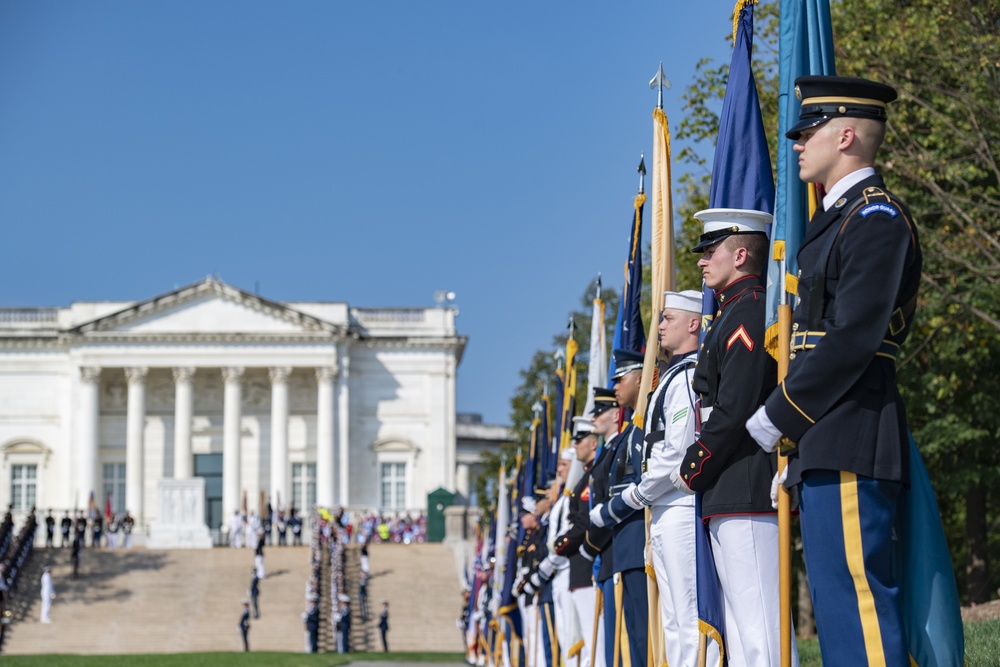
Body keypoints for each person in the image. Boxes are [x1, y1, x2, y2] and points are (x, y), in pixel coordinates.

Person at [746, 76, 921, 667]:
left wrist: (779, 416)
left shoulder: (875, 219)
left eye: (808, 132)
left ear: (845, 135)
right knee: (838, 608)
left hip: (851, 429)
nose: (797, 145)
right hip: (827, 433)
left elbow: (851, 338)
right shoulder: (840, 218)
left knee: (859, 607)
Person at [671, 209, 796, 667]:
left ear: (741, 253)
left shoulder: (748, 311)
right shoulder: (731, 311)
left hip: (746, 481)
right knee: (743, 636)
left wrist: (695, 463)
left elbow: (736, 405)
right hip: (729, 484)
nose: (702, 262)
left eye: (710, 251)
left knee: (763, 631)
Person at [606, 290, 716, 667]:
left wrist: (636, 495)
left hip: (680, 503)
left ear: (694, 323)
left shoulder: (687, 375)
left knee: (689, 613)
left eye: (668, 318)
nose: (661, 325)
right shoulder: (672, 375)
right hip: (665, 506)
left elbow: (677, 451)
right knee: (671, 615)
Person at [589, 348, 649, 667]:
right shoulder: (625, 436)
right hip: (621, 545)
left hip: (636, 538)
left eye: (621, 379)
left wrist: (601, 521)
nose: (615, 386)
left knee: (643, 631)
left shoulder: (638, 426)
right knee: (632, 632)